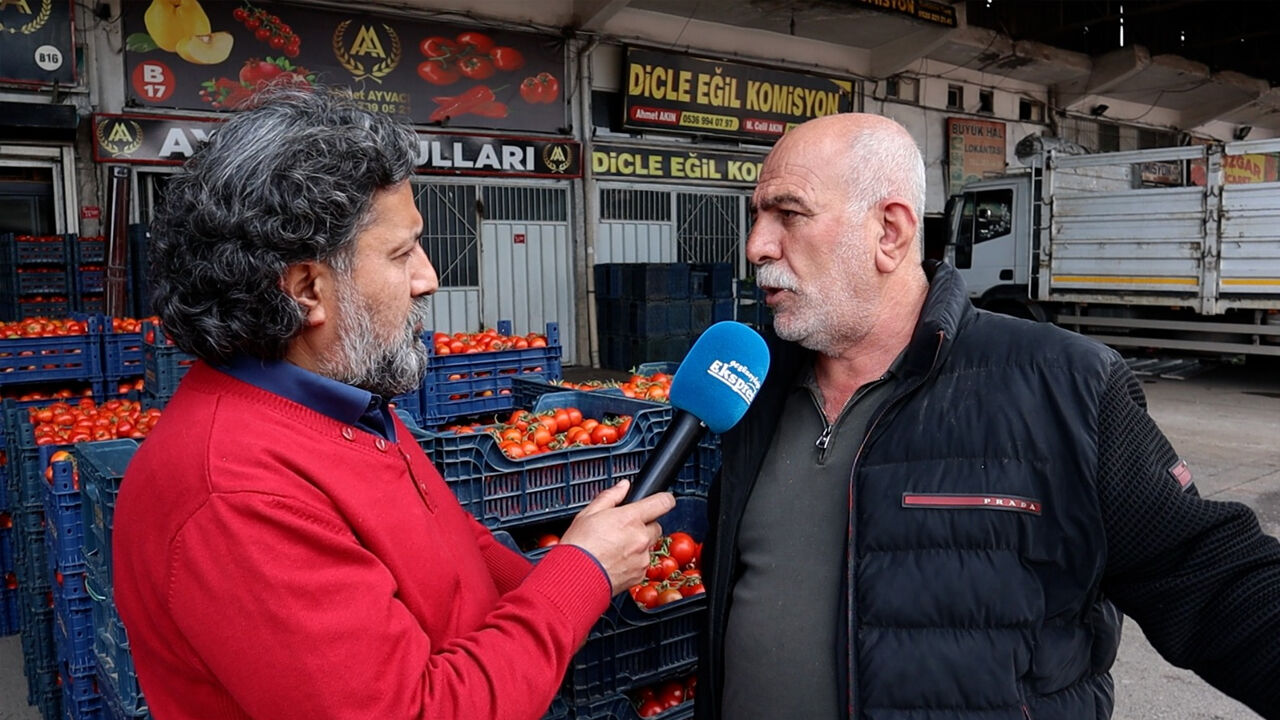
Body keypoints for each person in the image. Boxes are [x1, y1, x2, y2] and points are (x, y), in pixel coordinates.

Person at [112, 85, 675, 720]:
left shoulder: (343, 401)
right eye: (402, 253)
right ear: (307, 289)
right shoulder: (237, 495)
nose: (428, 278)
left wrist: (565, 575)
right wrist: (581, 574)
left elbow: (449, 543)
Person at [697, 113, 1280, 720]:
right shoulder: (752, 390)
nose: (757, 245)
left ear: (889, 232)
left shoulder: (1065, 386)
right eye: (757, 216)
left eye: (789, 214)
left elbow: (1214, 581)